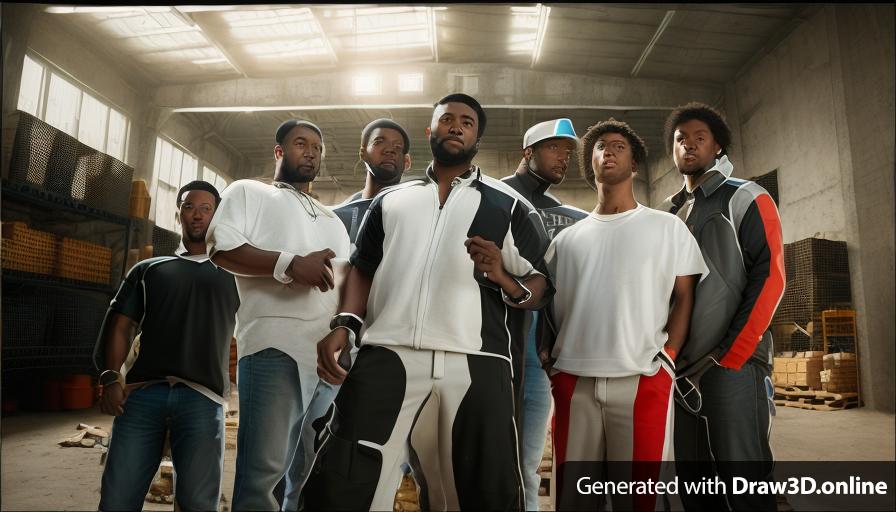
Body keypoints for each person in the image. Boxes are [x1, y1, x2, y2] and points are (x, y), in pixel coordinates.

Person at [302, 93, 553, 511]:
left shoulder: (509, 206)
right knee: (342, 483)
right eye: (447, 119)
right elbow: (363, 267)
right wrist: (345, 325)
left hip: (478, 359)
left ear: (477, 137)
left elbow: (543, 285)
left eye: (467, 122)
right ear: (430, 131)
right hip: (387, 353)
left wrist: (503, 276)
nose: (455, 126)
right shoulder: (390, 201)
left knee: (481, 493)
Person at [543, 119, 706, 511]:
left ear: (634, 165)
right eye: (600, 147)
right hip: (573, 382)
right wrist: (552, 364)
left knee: (640, 501)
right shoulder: (564, 241)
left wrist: (669, 357)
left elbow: (684, 297)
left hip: (643, 379)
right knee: (573, 498)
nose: (608, 151)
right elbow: (548, 308)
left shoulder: (667, 228)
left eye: (618, 146)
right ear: (590, 164)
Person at [205, 120, 350, 511]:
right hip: (274, 348)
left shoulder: (334, 219)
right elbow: (221, 246)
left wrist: (347, 338)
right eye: (301, 143)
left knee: (309, 475)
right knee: (263, 477)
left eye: (317, 147)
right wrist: (288, 263)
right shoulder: (250, 193)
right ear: (279, 151)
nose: (311, 152)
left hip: (327, 358)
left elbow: (346, 285)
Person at [281, 118, 412, 510]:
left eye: (397, 146)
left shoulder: (418, 218)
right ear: (362, 152)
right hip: (331, 349)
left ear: (407, 163)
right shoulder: (331, 216)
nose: (388, 149)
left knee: (384, 461)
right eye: (379, 141)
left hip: (389, 351)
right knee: (304, 455)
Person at [659, 102, 784, 511]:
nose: (689, 145)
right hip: (681, 370)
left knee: (744, 482)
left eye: (700, 138)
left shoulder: (746, 197)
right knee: (694, 484)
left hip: (733, 364)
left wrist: (731, 356)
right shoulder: (671, 214)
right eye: (681, 139)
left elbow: (771, 278)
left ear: (718, 147)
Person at [95, 180, 239, 511]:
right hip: (144, 395)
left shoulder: (235, 275)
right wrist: (108, 376)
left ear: (217, 216)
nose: (197, 215)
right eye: (189, 207)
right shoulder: (148, 270)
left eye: (206, 209)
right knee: (117, 500)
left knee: (199, 504)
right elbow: (120, 325)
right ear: (179, 215)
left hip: (204, 399)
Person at [500, 118, 586, 511]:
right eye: (554, 148)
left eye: (568, 152)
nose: (563, 158)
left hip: (539, 350)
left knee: (527, 462)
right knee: (485, 457)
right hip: (491, 345)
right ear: (528, 152)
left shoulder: (572, 217)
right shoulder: (492, 196)